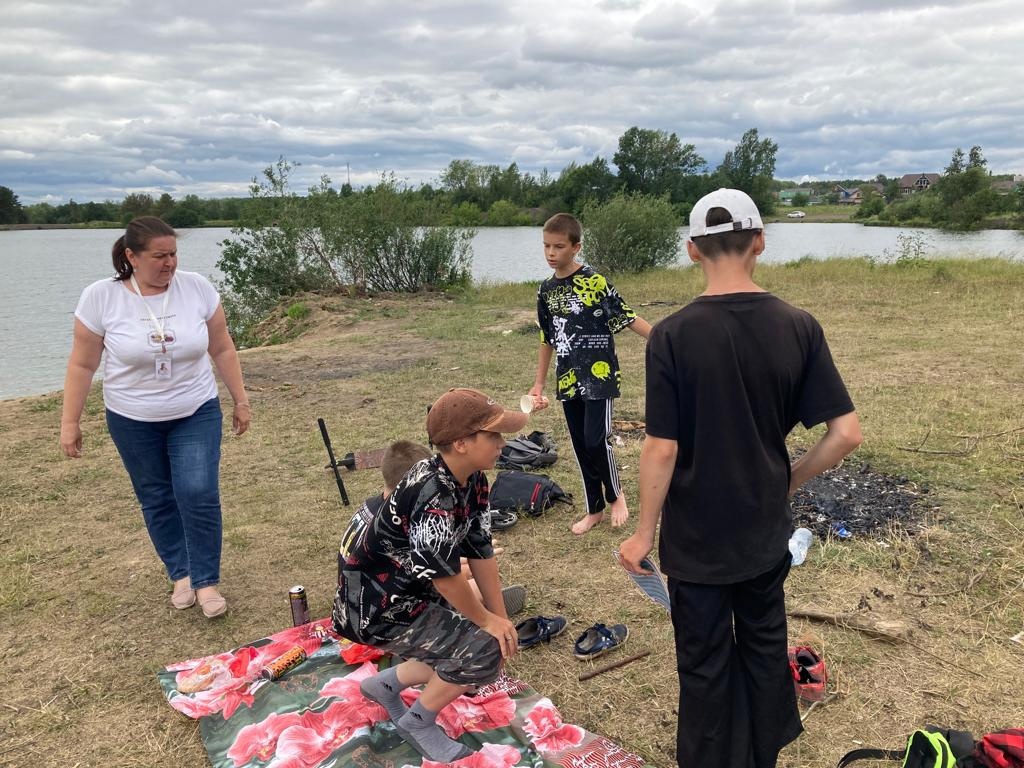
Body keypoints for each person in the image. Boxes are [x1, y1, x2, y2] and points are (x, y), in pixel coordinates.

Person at [619, 189, 863, 768]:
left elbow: (662, 447)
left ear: (692, 250)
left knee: (704, 661)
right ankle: (762, 755)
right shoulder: (799, 326)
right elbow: (846, 433)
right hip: (763, 529)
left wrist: (643, 533)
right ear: (759, 242)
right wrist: (788, 480)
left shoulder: (672, 335)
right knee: (763, 644)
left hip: (697, 538)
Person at [60, 216, 250, 619]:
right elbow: (82, 364)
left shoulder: (196, 288)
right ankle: (181, 573)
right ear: (132, 256)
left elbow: (222, 347)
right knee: (157, 496)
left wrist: (241, 399)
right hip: (131, 418)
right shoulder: (101, 297)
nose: (170, 263)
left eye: (174, 254)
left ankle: (206, 581)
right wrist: (69, 422)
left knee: (197, 492)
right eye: (159, 256)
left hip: (195, 410)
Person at [333, 388, 527, 763]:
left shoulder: (473, 479)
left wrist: (500, 618)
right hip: (376, 609)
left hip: (410, 594)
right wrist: (487, 623)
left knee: (482, 640)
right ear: (461, 443)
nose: (502, 444)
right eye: (493, 436)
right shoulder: (432, 491)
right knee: (482, 650)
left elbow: (480, 550)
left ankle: (384, 684)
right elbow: (443, 577)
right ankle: (418, 721)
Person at [529, 213, 652, 534]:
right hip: (567, 377)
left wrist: (662, 339)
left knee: (597, 441)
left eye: (558, 246)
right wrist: (539, 383)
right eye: (546, 246)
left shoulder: (595, 282)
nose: (551, 253)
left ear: (576, 247)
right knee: (582, 445)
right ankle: (594, 509)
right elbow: (546, 338)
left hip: (600, 376)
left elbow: (627, 316)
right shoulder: (545, 290)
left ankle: (616, 496)